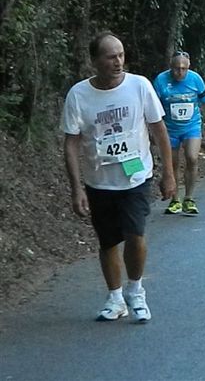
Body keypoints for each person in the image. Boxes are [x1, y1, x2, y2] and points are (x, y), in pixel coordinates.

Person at [62, 31, 176, 322]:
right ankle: (115, 298)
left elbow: (159, 130)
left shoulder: (139, 86)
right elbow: (72, 142)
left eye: (121, 55)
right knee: (108, 242)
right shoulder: (79, 94)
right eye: (111, 56)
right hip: (99, 180)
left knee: (135, 235)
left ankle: (136, 291)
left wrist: (169, 174)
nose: (118, 61)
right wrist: (76, 188)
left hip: (136, 175)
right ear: (95, 61)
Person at [153, 51, 205, 214]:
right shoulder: (160, 81)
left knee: (192, 158)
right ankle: (175, 200)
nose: (179, 72)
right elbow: (152, 109)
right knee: (172, 163)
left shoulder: (195, 79)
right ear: (170, 67)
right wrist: (152, 132)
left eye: (183, 69)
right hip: (169, 129)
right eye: (176, 68)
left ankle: (189, 198)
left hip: (191, 127)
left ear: (188, 68)